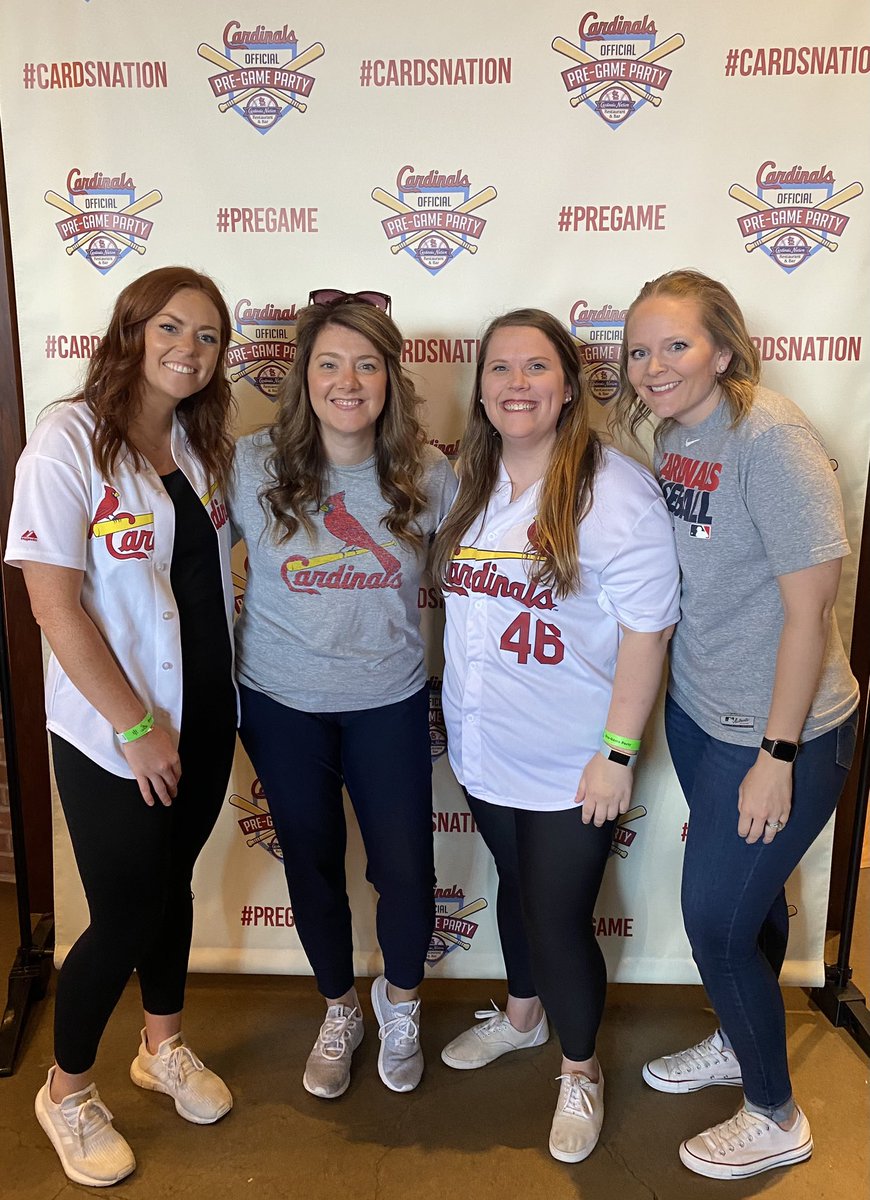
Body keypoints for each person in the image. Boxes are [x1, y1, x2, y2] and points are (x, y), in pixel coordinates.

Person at [614, 268, 859, 1181]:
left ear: (723, 348)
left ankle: (775, 1114)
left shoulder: (773, 440)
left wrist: (777, 753)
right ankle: (738, 1039)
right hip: (701, 713)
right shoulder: (678, 427)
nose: (652, 365)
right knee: (744, 910)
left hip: (781, 730)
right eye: (639, 350)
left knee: (714, 924)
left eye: (675, 345)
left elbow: (812, 611)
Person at [6, 267, 239, 1186]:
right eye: (171, 327)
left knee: (170, 884)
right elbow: (52, 605)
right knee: (128, 909)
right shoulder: (65, 441)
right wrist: (136, 724)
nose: (190, 347)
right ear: (131, 330)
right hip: (119, 731)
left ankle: (162, 1048)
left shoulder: (199, 441)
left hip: (209, 711)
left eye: (210, 335)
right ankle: (64, 1090)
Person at [431, 309, 680, 1162]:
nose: (515, 385)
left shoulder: (613, 487)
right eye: (499, 369)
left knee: (561, 916)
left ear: (569, 384)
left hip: (574, 757)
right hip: (483, 741)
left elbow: (649, 631)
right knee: (513, 882)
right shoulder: (472, 476)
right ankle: (523, 1016)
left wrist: (617, 755)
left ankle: (580, 1070)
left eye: (535, 368)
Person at [228, 290, 457, 1100]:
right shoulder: (252, 462)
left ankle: (400, 1005)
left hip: (387, 702)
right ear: (304, 376)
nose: (348, 380)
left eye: (366, 363)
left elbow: (496, 570)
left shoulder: (428, 473)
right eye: (329, 363)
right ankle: (339, 1009)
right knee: (314, 866)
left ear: (390, 376)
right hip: (279, 703)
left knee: (407, 871)